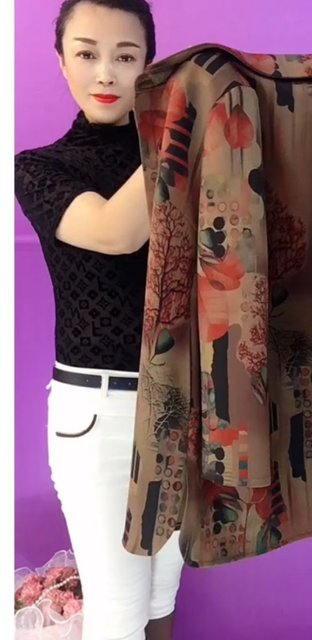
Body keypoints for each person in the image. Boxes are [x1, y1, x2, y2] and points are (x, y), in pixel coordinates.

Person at [14, 2, 184, 639]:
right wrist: (186, 122)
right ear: (61, 62)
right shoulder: (39, 167)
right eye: (86, 53)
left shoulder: (190, 153)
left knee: (163, 595)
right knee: (117, 615)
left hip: (182, 400)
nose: (106, 72)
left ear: (149, 67)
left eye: (126, 55)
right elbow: (116, 231)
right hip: (98, 417)